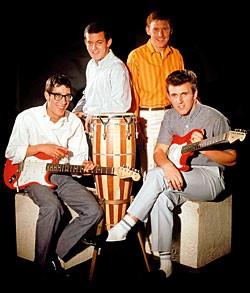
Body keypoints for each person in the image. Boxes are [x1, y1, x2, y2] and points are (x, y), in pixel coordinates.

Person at [92, 69, 237, 278]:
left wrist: (202, 148)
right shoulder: (169, 116)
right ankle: (165, 264)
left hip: (211, 177)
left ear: (195, 94)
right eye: (174, 95)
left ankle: (123, 228)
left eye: (184, 94)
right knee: (161, 198)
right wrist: (168, 166)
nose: (179, 101)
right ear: (168, 96)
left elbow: (232, 159)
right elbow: (159, 152)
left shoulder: (214, 117)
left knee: (157, 176)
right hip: (181, 175)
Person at [5, 73, 104, 278]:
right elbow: (11, 152)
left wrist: (85, 166)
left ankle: (54, 252)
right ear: (47, 95)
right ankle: (40, 268)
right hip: (31, 174)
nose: (63, 101)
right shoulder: (27, 117)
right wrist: (41, 148)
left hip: (60, 175)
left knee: (94, 210)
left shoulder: (73, 123)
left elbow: (77, 160)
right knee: (52, 207)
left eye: (67, 96)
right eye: (57, 96)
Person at [127, 10, 184, 176]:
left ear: (171, 30)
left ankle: (172, 200)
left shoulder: (176, 55)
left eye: (165, 29)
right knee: (152, 166)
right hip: (148, 117)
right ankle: (152, 202)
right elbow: (132, 92)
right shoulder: (136, 56)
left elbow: (183, 88)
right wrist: (135, 120)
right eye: (156, 29)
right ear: (147, 30)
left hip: (174, 114)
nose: (160, 34)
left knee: (176, 159)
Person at [72, 21, 132, 133]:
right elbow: (87, 96)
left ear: (108, 42)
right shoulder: (91, 65)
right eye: (90, 43)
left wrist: (92, 113)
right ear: (85, 42)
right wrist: (75, 113)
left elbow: (121, 104)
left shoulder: (117, 67)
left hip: (110, 131)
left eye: (99, 42)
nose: (93, 48)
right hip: (89, 127)